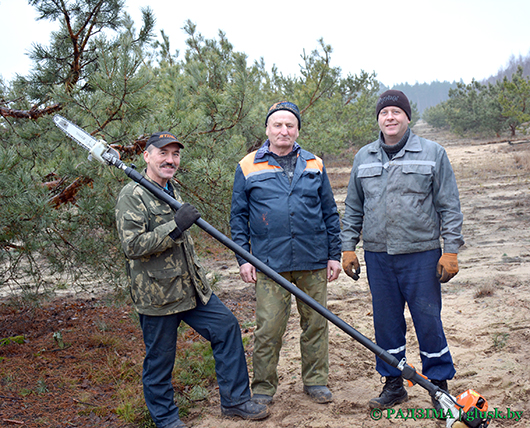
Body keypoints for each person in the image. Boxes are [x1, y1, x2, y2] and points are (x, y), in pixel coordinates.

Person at [115, 132, 269, 428]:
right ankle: (167, 420)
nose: (170, 160)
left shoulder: (171, 190)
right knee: (160, 361)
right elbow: (132, 246)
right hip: (158, 296)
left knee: (226, 328)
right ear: (147, 156)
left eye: (175, 155)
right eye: (163, 153)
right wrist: (174, 227)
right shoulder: (132, 195)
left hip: (192, 290)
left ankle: (235, 401)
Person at [341, 90, 464, 410]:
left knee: (428, 321)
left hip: (421, 255)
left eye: (397, 112)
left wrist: (450, 251)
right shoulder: (363, 157)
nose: (390, 117)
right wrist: (348, 248)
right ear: (378, 119)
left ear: (407, 117)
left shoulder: (432, 152)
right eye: (385, 113)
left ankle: (439, 387)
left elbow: (450, 206)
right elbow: (354, 207)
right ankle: (394, 384)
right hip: (379, 257)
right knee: (386, 322)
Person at [230, 101, 342, 406]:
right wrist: (243, 258)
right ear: (267, 129)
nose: (284, 130)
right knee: (268, 329)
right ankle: (264, 386)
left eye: (290, 125)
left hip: (313, 259)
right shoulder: (248, 165)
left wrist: (335, 254)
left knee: (316, 324)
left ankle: (316, 381)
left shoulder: (314, 164)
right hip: (269, 262)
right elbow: (238, 217)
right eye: (277, 125)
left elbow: (330, 212)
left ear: (297, 130)